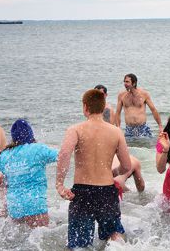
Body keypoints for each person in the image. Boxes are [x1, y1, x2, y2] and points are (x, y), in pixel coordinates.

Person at [56, 89, 131, 249]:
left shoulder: (76, 129)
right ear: (104, 107)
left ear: (85, 107)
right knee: (114, 235)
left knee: (80, 244)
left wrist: (60, 184)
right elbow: (126, 166)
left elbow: (64, 154)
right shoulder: (116, 132)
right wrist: (113, 173)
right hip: (107, 191)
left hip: (82, 193)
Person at [0, 119, 58, 228]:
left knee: (19, 242)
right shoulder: (37, 149)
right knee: (42, 240)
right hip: (35, 205)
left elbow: (0, 182)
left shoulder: (4, 155)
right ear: (30, 133)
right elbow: (62, 156)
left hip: (14, 207)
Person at [115, 73, 163, 137]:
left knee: (149, 145)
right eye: (124, 82)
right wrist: (118, 127)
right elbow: (118, 113)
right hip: (129, 129)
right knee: (128, 147)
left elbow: (153, 110)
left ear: (134, 83)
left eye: (127, 82)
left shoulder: (144, 94)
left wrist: (160, 126)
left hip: (143, 128)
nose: (125, 84)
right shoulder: (121, 95)